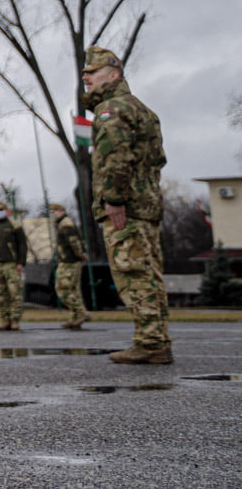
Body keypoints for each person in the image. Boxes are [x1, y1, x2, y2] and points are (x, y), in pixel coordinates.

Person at [82, 46, 171, 364]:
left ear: (114, 74)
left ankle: (151, 343)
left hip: (127, 208)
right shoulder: (143, 110)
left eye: (93, 72)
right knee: (149, 275)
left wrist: (114, 199)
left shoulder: (112, 109)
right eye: (85, 72)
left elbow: (116, 156)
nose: (86, 77)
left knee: (132, 274)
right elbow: (157, 159)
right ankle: (156, 339)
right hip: (146, 205)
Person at [0, 201, 28, 332]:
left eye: (0, 210)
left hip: (11, 264)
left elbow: (22, 244)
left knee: (14, 292)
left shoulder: (14, 226)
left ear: (6, 211)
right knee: (0, 294)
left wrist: (21, 262)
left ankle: (15, 320)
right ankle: (5, 319)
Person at [50, 201, 88, 330]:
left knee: (63, 289)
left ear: (61, 211)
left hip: (69, 261)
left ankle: (81, 313)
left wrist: (80, 254)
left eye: (54, 212)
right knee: (74, 289)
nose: (53, 215)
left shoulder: (66, 224)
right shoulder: (66, 223)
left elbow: (74, 242)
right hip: (72, 260)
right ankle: (75, 317)